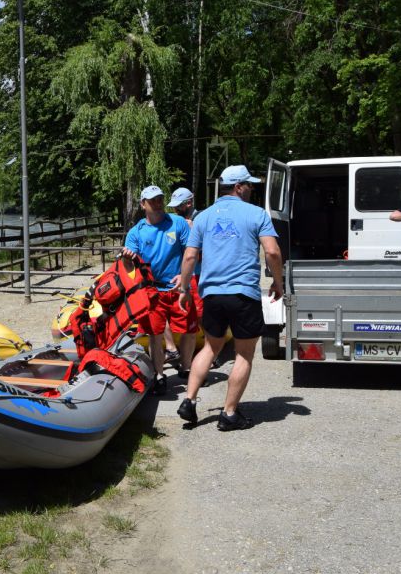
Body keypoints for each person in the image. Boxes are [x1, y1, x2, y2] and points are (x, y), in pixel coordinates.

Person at [176, 165, 283, 431]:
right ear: (238, 187)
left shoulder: (203, 217)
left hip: (211, 293)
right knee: (244, 354)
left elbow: (189, 256)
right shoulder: (257, 214)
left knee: (211, 347)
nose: (251, 188)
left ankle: (189, 400)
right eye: (248, 184)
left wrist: (185, 290)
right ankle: (229, 414)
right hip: (242, 293)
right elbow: (272, 251)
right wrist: (278, 283)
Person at [121, 185, 198, 387]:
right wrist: (127, 259)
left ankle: (186, 368)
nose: (157, 203)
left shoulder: (178, 223)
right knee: (155, 335)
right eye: (152, 200)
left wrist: (184, 276)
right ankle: (159, 375)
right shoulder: (136, 232)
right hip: (153, 291)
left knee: (189, 331)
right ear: (142, 204)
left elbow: (191, 252)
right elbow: (128, 266)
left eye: (160, 199)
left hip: (179, 288)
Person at [163, 187, 201, 365]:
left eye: (178, 206)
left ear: (189, 203)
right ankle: (172, 349)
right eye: (174, 207)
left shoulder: (200, 219)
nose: (175, 210)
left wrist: (195, 230)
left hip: (199, 274)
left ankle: (210, 353)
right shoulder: (174, 221)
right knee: (165, 312)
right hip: (181, 275)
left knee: (200, 315)